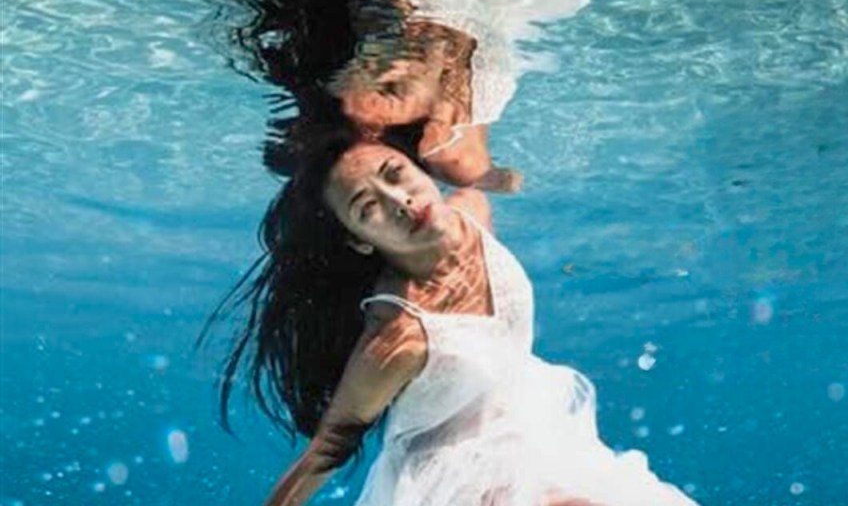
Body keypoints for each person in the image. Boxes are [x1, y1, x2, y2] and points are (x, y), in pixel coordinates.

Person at [202, 132, 698, 505]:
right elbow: (327, 449)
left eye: (395, 174)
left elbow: (470, 176)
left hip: (532, 424)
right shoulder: (400, 338)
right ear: (360, 241)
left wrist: (490, 175)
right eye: (368, 207)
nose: (400, 201)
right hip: (454, 477)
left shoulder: (471, 211)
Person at [210, 0, 521, 191]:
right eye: (392, 88)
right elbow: (494, 177)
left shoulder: (350, 31)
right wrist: (477, 177)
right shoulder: (466, 114)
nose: (393, 64)